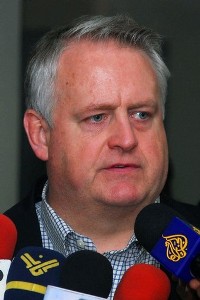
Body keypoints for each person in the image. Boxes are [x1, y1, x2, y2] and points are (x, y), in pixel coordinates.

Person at [4, 15, 200, 299]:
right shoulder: (5, 252)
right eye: (97, 117)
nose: (127, 139)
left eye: (142, 114)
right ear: (41, 134)